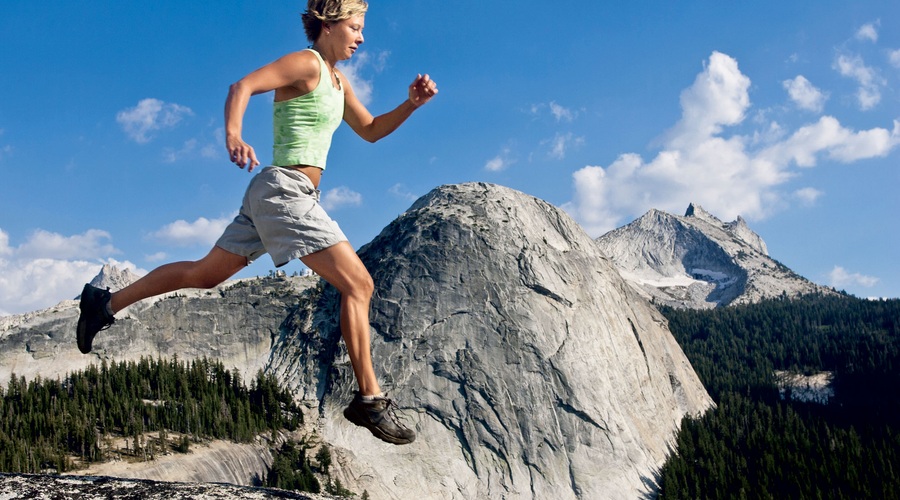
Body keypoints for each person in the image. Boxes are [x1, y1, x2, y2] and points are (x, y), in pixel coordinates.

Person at [76, 0, 437, 446]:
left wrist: (411, 104)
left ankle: (103, 304)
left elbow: (372, 129)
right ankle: (370, 400)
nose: (361, 37)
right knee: (358, 285)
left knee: (203, 275)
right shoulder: (305, 63)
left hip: (280, 194)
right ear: (327, 25)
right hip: (284, 191)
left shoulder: (339, 81)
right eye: (355, 27)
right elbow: (242, 85)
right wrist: (233, 134)